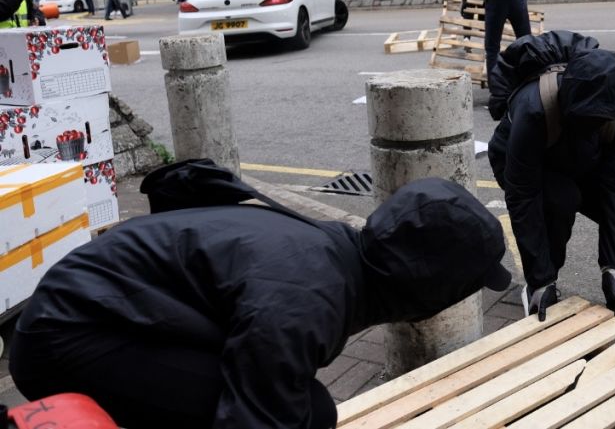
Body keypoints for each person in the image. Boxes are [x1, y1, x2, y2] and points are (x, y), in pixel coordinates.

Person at [9, 164, 511, 429]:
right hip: (65, 342)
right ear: (427, 282)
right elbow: (257, 418)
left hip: (105, 318)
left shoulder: (329, 255)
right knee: (307, 413)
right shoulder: (308, 295)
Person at [487, 30, 615, 323]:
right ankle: (542, 289)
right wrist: (540, 276)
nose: (593, 125)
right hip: (521, 161)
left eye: (598, 121)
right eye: (586, 119)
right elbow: (523, 196)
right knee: (561, 198)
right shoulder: (534, 107)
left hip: (580, 159)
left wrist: (612, 266)